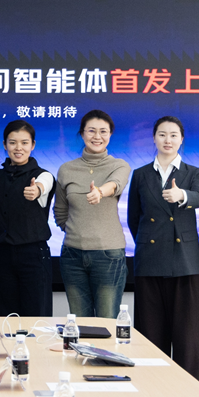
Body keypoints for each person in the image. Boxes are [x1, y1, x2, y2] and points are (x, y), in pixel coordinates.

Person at [126, 116, 199, 383]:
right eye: (162, 134)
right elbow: (134, 218)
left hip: (184, 261)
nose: (167, 140)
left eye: (173, 135)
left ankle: (190, 389)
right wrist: (150, 240)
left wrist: (181, 195)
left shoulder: (193, 172)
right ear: (154, 138)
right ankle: (152, 387)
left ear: (181, 139)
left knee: (187, 335)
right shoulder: (140, 174)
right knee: (150, 332)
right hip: (150, 260)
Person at [53, 109, 131, 318]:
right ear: (82, 134)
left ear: (110, 134)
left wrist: (100, 192)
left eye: (103, 131)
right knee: (79, 322)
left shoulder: (120, 165)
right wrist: (77, 231)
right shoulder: (66, 169)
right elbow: (60, 210)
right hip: (72, 255)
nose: (97, 136)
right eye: (91, 131)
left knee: (107, 321)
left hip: (108, 255)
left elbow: (115, 184)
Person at [0, 119, 55, 317]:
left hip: (34, 255)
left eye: (24, 143)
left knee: (36, 315)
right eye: (13, 142)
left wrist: (36, 190)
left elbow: (43, 185)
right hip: (3, 254)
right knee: (5, 316)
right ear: (4, 145)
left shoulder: (44, 175)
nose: (19, 148)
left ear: (32, 145)